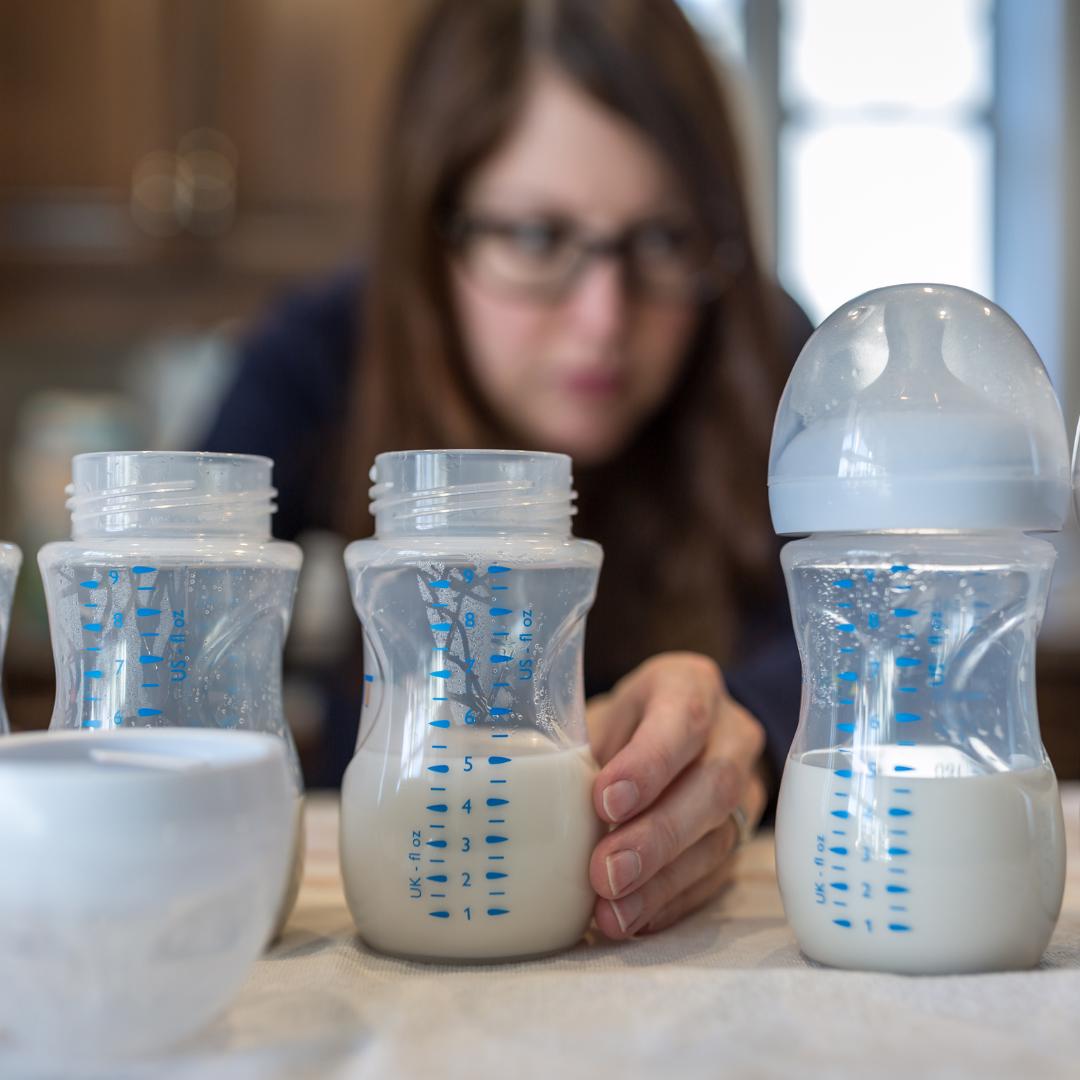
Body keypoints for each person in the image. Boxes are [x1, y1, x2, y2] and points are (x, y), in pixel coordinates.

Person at [202, 0, 811, 941]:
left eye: (662, 239)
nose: (605, 318)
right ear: (434, 230)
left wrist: (743, 729)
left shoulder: (761, 353)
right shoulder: (323, 353)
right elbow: (180, 591)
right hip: (395, 912)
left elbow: (843, 635)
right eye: (536, 238)